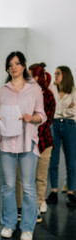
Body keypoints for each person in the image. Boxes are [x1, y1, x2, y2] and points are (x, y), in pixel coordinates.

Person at [0, 51, 46, 240]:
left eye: (16, 63)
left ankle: (28, 227)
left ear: (23, 65)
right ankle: (8, 223)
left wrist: (32, 118)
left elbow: (42, 115)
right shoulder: (1, 90)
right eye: (10, 64)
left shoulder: (34, 89)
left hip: (27, 141)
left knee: (28, 187)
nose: (13, 67)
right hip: (6, 141)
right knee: (7, 185)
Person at [15, 63, 55, 223]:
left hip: (43, 143)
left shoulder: (49, 96)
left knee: (40, 177)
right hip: (23, 142)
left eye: (29, 75)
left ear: (37, 78)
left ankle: (37, 206)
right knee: (21, 177)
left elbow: (46, 122)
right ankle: (19, 208)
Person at [46, 66, 76, 208]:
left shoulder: (74, 92)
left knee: (71, 161)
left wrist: (61, 112)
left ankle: (71, 192)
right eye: (55, 73)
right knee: (53, 160)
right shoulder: (52, 90)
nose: (55, 76)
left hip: (70, 126)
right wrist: (66, 110)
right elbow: (52, 110)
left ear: (65, 75)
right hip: (55, 125)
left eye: (58, 73)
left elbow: (74, 111)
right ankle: (53, 191)